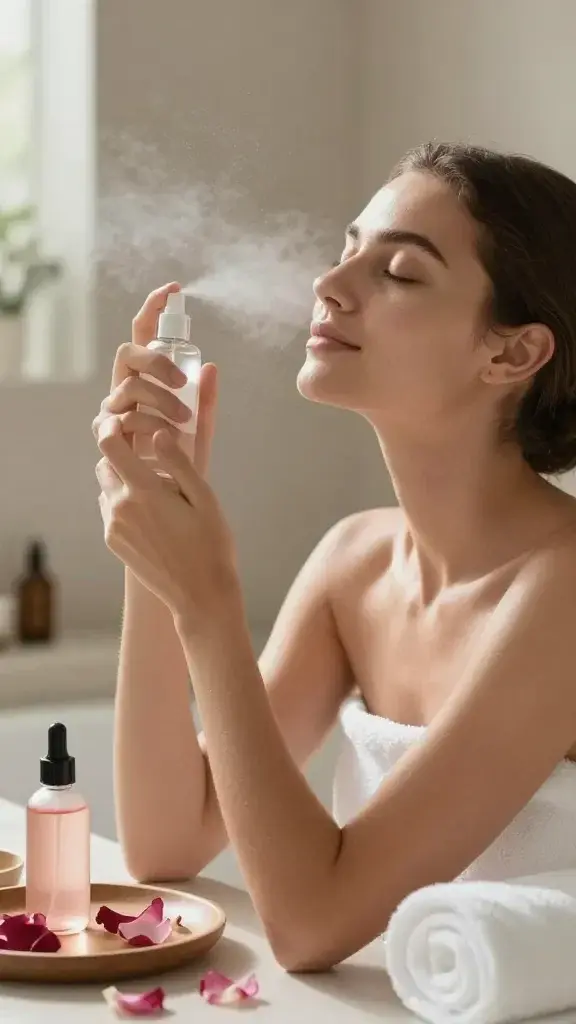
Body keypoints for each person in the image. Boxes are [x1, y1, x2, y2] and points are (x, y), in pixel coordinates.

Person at [93, 142, 576, 972]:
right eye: (345, 251)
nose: (329, 285)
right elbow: (166, 840)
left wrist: (209, 604)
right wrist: (157, 532)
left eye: (399, 271)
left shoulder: (561, 588)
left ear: (512, 354)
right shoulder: (356, 561)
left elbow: (311, 925)